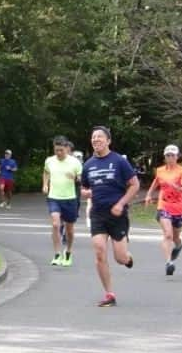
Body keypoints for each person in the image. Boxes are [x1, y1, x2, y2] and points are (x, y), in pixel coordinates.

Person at [81, 126, 139, 307]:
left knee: (120, 258)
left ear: (108, 141)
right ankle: (109, 294)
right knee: (99, 251)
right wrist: (86, 193)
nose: (96, 140)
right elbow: (84, 187)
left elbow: (134, 185)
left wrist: (121, 204)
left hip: (117, 214)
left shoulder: (119, 161)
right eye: (93, 137)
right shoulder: (88, 165)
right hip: (98, 213)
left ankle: (128, 258)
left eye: (99, 137)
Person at [144, 144, 182, 276]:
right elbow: (156, 182)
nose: (170, 158)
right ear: (164, 157)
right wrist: (148, 195)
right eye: (168, 155)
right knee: (168, 235)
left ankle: (178, 246)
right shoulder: (160, 171)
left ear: (177, 157)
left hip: (179, 208)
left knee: (175, 237)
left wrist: (177, 187)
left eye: (172, 155)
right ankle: (169, 262)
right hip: (164, 205)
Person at [43, 136, 83, 266]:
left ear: (66, 149)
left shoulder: (75, 162)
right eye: (56, 150)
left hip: (70, 199)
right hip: (54, 197)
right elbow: (46, 172)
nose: (59, 153)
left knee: (69, 229)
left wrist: (75, 178)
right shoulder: (49, 161)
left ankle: (68, 252)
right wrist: (45, 184)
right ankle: (57, 254)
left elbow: (81, 178)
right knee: (55, 224)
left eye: (61, 150)